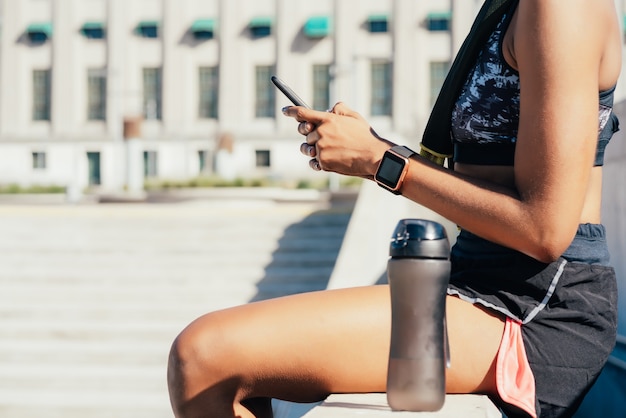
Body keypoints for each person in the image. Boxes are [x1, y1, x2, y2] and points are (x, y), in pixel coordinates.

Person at [167, 1, 620, 417]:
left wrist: (379, 161)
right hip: (473, 279)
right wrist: (374, 152)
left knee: (205, 356)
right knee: (217, 359)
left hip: (536, 306)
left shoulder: (560, 6)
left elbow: (544, 229)